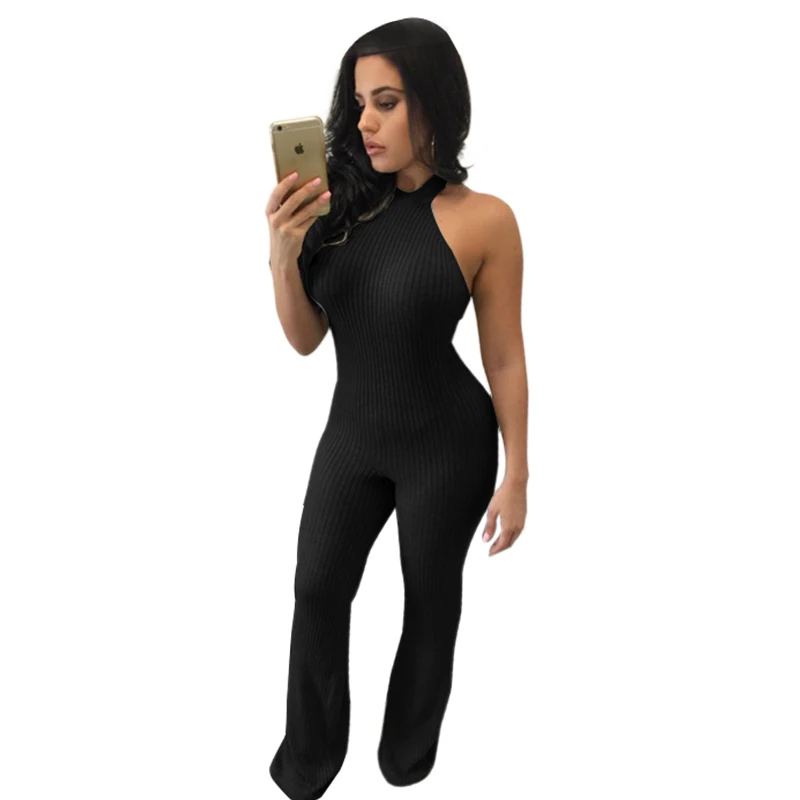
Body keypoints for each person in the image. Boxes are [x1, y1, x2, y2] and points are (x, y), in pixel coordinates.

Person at [265, 17, 528, 800]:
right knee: (316, 588)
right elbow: (305, 339)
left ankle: (407, 754)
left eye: (386, 102)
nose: (365, 124)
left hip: (448, 442)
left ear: (434, 104)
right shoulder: (336, 205)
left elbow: (504, 356)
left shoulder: (485, 219)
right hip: (354, 436)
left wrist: (518, 474)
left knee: (430, 598)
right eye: (359, 105)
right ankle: (308, 759)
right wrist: (282, 253)